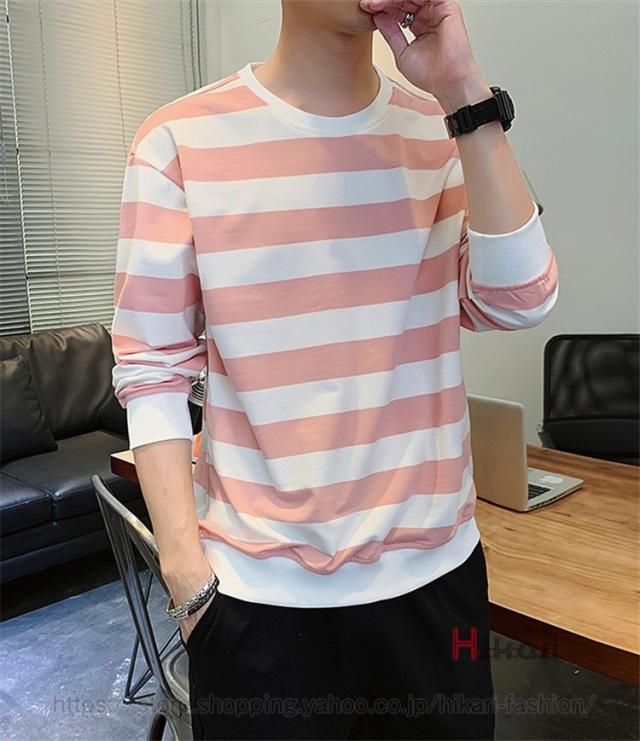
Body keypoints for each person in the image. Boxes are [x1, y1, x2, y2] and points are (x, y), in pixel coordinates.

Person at [110, 1, 558, 738]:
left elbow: (519, 300)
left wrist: (463, 89)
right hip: (255, 602)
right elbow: (151, 368)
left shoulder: (443, 128)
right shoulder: (178, 141)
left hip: (435, 584)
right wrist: (186, 577)